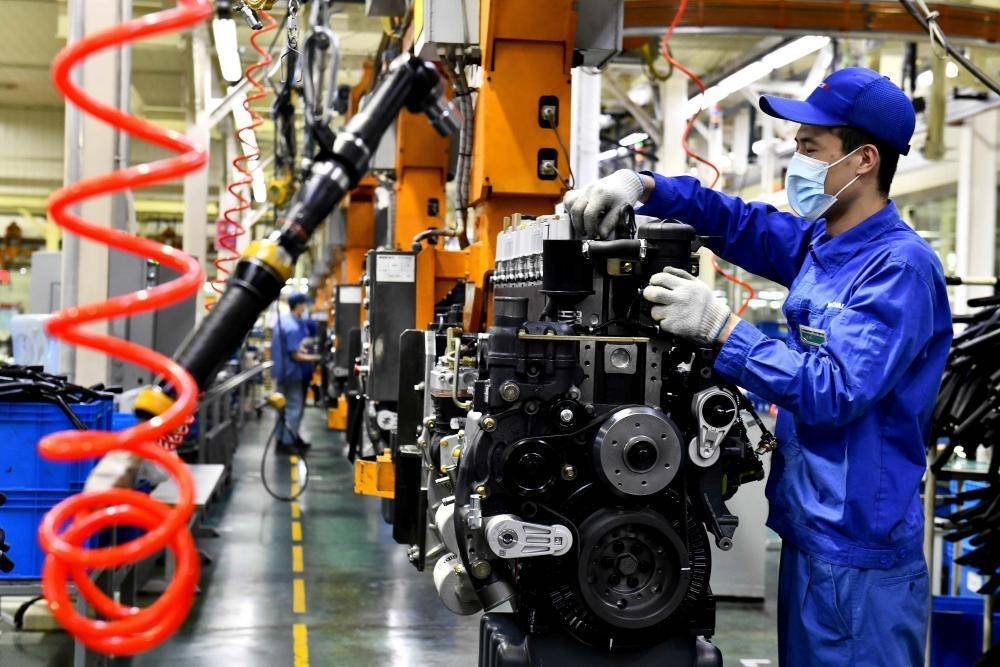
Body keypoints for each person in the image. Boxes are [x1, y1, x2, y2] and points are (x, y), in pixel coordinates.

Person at [563, 67, 952, 665]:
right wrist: (646, 186)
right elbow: (735, 221)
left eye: (810, 148)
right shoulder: (822, 245)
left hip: (860, 557)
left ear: (864, 159)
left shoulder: (898, 268)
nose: (796, 160)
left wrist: (722, 329)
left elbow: (835, 390)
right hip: (811, 535)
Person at [271, 293, 321, 453]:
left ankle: (282, 439)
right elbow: (295, 355)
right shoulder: (292, 326)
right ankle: (287, 442)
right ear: (298, 305)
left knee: (282, 408)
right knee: (293, 408)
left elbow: (293, 347)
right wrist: (316, 357)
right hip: (291, 374)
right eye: (304, 304)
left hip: (282, 372)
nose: (305, 308)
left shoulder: (285, 321)